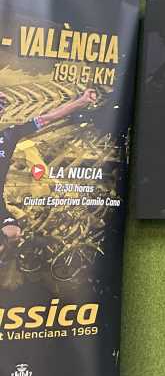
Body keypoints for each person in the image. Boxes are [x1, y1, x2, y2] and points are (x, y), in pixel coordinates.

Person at [0, 87, 98, 269]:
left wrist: (81, 101)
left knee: (14, 233)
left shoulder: (9, 135)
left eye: (2, 106)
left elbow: (48, 118)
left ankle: (9, 258)